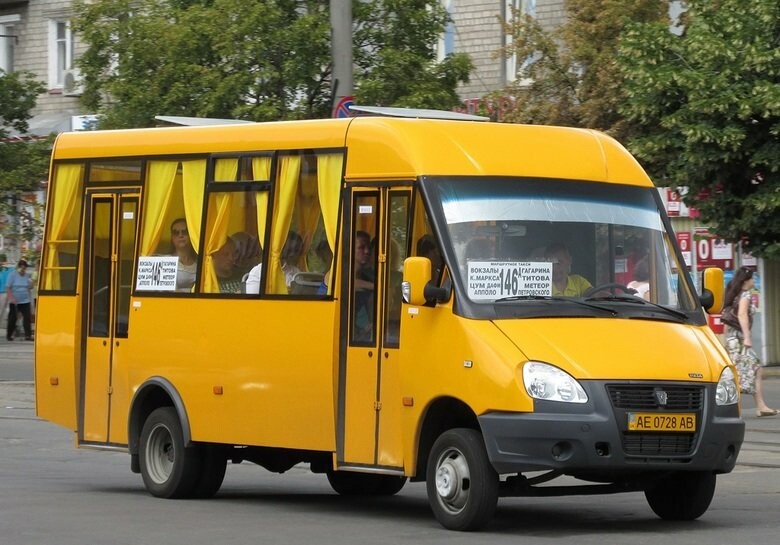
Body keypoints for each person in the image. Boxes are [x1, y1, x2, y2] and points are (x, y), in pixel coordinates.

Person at [724, 266, 777, 417]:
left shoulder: (734, 295)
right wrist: (747, 337)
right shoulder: (745, 295)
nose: (754, 280)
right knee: (749, 370)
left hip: (732, 340)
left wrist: (726, 340)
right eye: (752, 278)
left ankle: (760, 406)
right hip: (740, 340)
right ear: (746, 281)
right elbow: (742, 315)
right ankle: (737, 408)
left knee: (745, 371)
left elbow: (726, 320)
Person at [353, 230, 374, 341]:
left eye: (369, 248)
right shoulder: (335, 273)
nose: (367, 251)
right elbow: (347, 283)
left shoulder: (366, 276)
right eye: (361, 247)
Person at [6, 259, 34, 341]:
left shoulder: (27, 276)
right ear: (18, 267)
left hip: (25, 300)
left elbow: (30, 287)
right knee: (13, 318)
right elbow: (8, 287)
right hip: (15, 301)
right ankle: (9, 335)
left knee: (27, 318)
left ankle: (28, 335)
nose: (23, 270)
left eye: (24, 268)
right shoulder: (12, 275)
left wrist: (31, 283)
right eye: (21, 268)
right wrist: (11, 298)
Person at [169, 218, 197, 292]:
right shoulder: (166, 261)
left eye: (185, 232)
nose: (180, 235)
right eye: (176, 233)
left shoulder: (202, 263)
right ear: (172, 238)